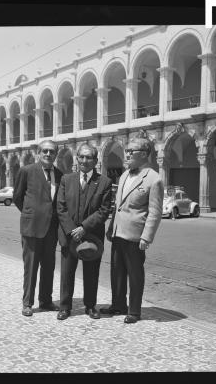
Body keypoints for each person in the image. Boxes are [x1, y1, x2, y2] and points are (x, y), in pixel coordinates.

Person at [101, 132, 164, 324]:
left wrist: (147, 237)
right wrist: (111, 226)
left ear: (144, 153)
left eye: (131, 151)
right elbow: (117, 205)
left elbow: (155, 212)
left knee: (135, 274)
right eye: (126, 151)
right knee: (116, 271)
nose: (126, 155)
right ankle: (118, 304)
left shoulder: (154, 179)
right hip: (118, 232)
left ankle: (134, 311)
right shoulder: (125, 174)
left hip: (136, 235)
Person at [56, 144, 112, 320]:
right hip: (69, 235)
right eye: (81, 157)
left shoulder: (104, 182)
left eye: (89, 158)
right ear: (77, 158)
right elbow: (61, 207)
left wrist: (84, 228)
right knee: (67, 273)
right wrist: (73, 230)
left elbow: (104, 210)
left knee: (91, 272)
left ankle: (90, 306)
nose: (84, 161)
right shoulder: (66, 179)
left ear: (96, 161)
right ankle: (65, 307)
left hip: (92, 236)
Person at [13, 140, 63, 316]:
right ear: (38, 153)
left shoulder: (59, 174)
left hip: (51, 228)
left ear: (56, 155)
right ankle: (27, 303)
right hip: (32, 227)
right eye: (45, 151)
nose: (48, 154)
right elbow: (17, 197)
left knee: (49, 266)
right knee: (31, 266)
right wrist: (31, 213)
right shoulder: (27, 171)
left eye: (52, 152)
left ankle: (46, 300)